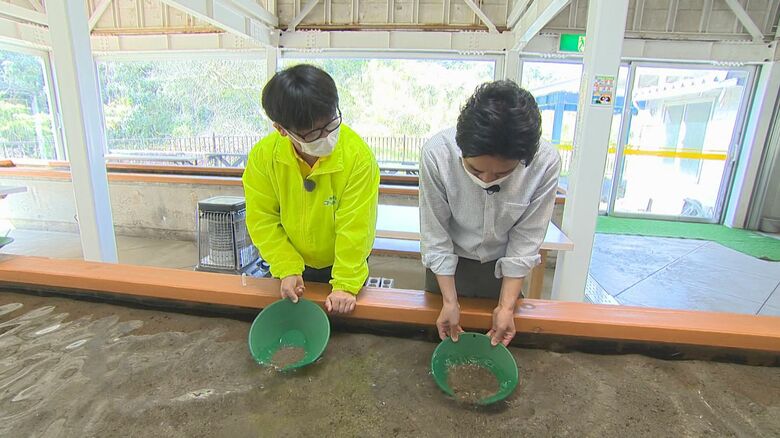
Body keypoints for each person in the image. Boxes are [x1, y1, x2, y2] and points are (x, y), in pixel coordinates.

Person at [419, 80, 561, 346]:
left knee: (502, 334)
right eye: (475, 170)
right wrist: (450, 300)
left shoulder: (545, 163)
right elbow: (435, 234)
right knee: (437, 335)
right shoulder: (437, 154)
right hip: (449, 265)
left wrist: (506, 307)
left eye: (503, 174)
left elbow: (526, 238)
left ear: (523, 160)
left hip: (504, 269)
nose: (487, 180)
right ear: (462, 148)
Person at [243, 64, 379, 314]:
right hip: (291, 259)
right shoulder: (264, 158)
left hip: (343, 261)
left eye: (331, 123)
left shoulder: (357, 157)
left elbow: (357, 227)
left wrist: (346, 284)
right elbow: (262, 219)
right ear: (282, 129)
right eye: (313, 133)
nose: (327, 136)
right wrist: (287, 267)